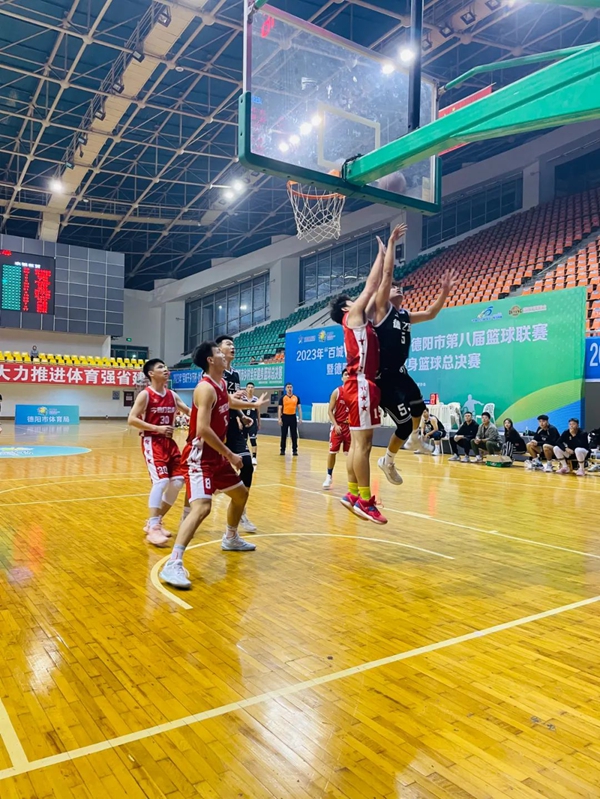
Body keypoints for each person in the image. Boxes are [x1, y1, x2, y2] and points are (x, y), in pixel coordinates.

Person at [159, 342, 269, 589]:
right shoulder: (205, 388)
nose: (223, 354)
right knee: (202, 508)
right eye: (218, 352)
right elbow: (202, 429)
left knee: (240, 495)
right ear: (210, 360)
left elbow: (228, 402)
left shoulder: (220, 384)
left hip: (216, 456)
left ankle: (230, 537)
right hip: (200, 456)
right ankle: (173, 563)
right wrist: (230, 454)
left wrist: (252, 406)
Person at [371, 223, 456, 485]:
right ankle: (388, 460)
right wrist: (392, 243)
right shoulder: (382, 311)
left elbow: (430, 313)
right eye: (394, 288)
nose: (399, 289)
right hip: (384, 379)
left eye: (401, 289)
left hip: (401, 373)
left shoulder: (405, 316)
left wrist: (444, 292)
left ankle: (415, 438)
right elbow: (387, 275)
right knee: (404, 423)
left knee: (420, 406)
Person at [329, 238, 386, 523]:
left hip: (359, 385)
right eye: (351, 299)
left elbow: (378, 291)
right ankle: (365, 500)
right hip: (361, 384)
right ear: (345, 308)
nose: (357, 299)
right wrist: (381, 254)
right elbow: (371, 286)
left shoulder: (357, 320)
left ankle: (352, 494)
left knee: (356, 445)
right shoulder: (352, 315)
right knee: (363, 446)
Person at [127, 358, 191, 547]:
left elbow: (189, 411)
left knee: (178, 482)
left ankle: (155, 521)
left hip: (169, 443)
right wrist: (157, 428)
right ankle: (154, 527)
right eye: (160, 367)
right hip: (152, 441)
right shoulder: (145, 395)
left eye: (165, 366)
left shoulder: (172, 394)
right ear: (151, 374)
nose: (165, 369)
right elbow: (131, 419)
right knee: (161, 481)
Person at [215, 335, 257, 533]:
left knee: (247, 465)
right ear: (218, 350)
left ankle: (241, 511)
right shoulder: (213, 371)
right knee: (204, 474)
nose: (233, 347)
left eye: (233, 344)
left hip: (232, 426)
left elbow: (233, 402)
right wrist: (232, 398)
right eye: (228, 344)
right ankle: (188, 512)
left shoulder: (236, 374)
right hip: (215, 427)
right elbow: (217, 398)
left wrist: (241, 415)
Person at [323, 368, 350, 490]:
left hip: (351, 427)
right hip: (338, 425)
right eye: (345, 374)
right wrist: (335, 424)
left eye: (349, 375)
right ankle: (329, 476)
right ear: (342, 378)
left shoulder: (356, 393)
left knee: (351, 455)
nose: (348, 376)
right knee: (332, 451)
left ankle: (353, 480)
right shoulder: (337, 391)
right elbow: (330, 410)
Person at [278, 383, 302, 456]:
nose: (289, 389)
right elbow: (279, 409)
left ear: (292, 388)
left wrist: (300, 418)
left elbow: (299, 408)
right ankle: (282, 450)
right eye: (288, 387)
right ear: (286, 389)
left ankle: (294, 450)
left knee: (294, 434)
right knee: (284, 434)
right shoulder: (282, 398)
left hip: (293, 417)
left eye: (291, 387)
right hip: (284, 417)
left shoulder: (296, 397)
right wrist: (279, 419)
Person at [242, 381, 260, 465]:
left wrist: (259, 423)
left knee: (253, 440)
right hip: (244, 423)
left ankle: (254, 457)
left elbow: (258, 412)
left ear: (254, 389)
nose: (250, 389)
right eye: (248, 387)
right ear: (246, 388)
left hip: (253, 423)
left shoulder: (256, 399)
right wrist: (239, 422)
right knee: (243, 441)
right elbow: (238, 411)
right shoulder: (242, 399)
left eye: (252, 387)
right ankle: (244, 456)